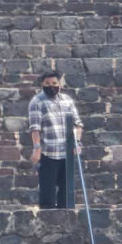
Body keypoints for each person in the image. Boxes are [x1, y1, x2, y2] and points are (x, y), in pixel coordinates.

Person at [28, 70, 83, 209]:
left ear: (60, 84)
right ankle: (48, 225)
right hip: (48, 153)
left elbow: (78, 124)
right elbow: (35, 128)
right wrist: (36, 149)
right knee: (47, 193)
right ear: (42, 84)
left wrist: (77, 142)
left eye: (54, 83)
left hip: (67, 153)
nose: (51, 86)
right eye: (47, 83)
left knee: (66, 193)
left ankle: (66, 223)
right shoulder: (37, 102)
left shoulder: (67, 101)